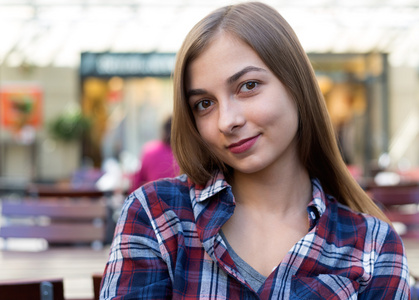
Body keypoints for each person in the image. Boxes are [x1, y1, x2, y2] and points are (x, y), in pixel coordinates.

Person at [100, 2, 410, 299]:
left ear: (296, 84)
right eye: (204, 104)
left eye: (248, 86)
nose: (227, 121)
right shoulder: (157, 216)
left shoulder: (373, 246)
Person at [129, 116, 179, 193]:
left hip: (154, 201)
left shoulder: (149, 151)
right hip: (181, 202)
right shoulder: (186, 154)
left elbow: (135, 184)